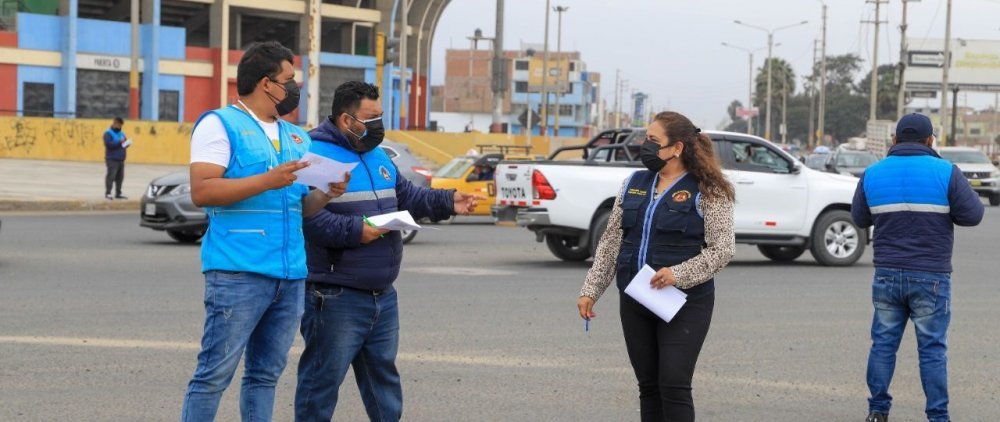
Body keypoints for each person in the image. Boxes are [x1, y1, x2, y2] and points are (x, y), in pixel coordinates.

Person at [294, 81, 483, 422]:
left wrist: (449, 200)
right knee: (320, 387)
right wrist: (357, 232)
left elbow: (409, 197)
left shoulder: (377, 155)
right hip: (335, 296)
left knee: (384, 386)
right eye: (371, 117)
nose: (378, 124)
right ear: (345, 119)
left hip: (382, 295)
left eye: (380, 116)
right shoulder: (312, 154)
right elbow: (308, 219)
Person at [180, 41, 349, 422]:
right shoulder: (219, 124)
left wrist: (325, 194)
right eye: (289, 79)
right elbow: (202, 191)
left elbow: (297, 207)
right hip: (238, 272)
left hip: (289, 276)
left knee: (265, 376)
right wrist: (267, 180)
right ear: (265, 83)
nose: (295, 88)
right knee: (213, 375)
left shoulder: (296, 137)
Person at [577, 111, 736, 421]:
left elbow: (722, 249)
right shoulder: (633, 183)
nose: (644, 145)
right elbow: (611, 241)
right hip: (636, 299)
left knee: (674, 385)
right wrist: (591, 290)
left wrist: (679, 274)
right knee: (648, 387)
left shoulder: (708, 189)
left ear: (676, 148)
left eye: (653, 141)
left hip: (684, 303)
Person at [852, 113, 984, 422]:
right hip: (931, 277)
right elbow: (974, 214)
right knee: (932, 350)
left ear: (894, 140)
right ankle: (938, 416)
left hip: (886, 275)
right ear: (930, 141)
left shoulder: (873, 173)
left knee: (883, 345)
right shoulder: (946, 172)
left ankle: (877, 411)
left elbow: (859, 218)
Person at [103, 117, 129, 200]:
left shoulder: (122, 133)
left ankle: (118, 193)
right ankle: (108, 193)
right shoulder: (108, 133)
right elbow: (109, 145)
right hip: (112, 159)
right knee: (111, 176)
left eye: (121, 125)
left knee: (120, 178)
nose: (120, 126)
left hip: (121, 158)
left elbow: (124, 144)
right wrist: (119, 142)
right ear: (114, 123)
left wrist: (127, 143)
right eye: (118, 124)